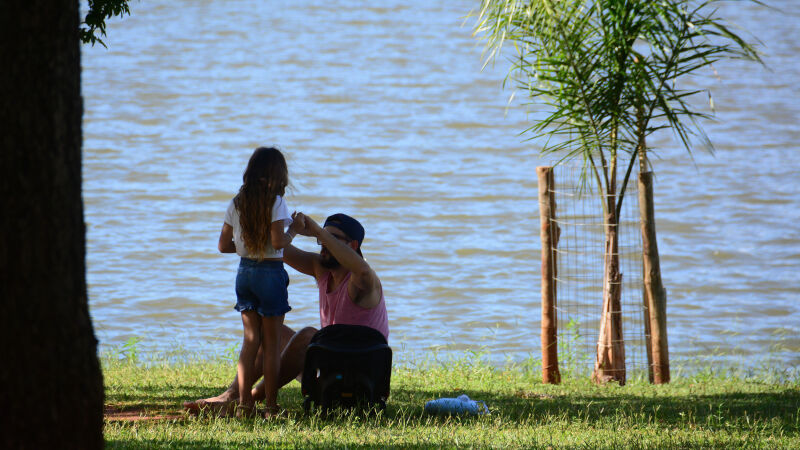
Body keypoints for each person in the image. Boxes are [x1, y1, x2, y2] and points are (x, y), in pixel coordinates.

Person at [183, 211, 389, 415]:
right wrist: (289, 226)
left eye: (332, 238)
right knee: (272, 330)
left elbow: (361, 270)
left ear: (353, 246)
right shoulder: (322, 270)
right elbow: (275, 248)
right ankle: (231, 395)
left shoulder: (363, 280)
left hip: (363, 373)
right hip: (332, 366)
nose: (323, 244)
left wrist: (318, 230)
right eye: (321, 239)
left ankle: (249, 400)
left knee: (309, 335)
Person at [219, 146, 304, 418]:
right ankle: (270, 406)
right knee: (271, 343)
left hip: (244, 273)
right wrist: (296, 229)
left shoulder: (236, 202)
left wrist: (248, 249)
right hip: (270, 273)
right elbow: (279, 242)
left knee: (249, 342)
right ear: (279, 174)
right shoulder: (276, 202)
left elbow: (223, 245)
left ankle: (244, 405)